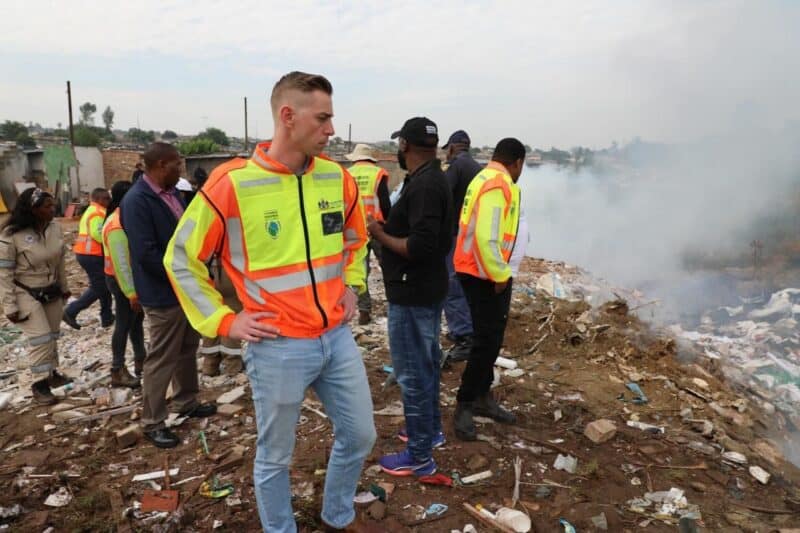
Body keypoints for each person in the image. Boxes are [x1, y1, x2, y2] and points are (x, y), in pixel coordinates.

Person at [163, 71, 377, 533]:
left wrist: (352, 285)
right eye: (323, 118)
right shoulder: (232, 183)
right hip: (277, 344)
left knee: (361, 433)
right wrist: (224, 321)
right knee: (276, 454)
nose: (331, 130)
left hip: (335, 338)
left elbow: (355, 240)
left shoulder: (336, 179)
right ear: (288, 116)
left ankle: (336, 516)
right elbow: (181, 259)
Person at [367, 117, 453, 476]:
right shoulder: (432, 178)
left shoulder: (424, 186)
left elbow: (419, 245)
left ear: (404, 145)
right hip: (426, 289)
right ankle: (428, 432)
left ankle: (419, 456)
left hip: (413, 293)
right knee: (427, 363)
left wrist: (379, 234)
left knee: (413, 373)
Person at [121, 142, 217, 449]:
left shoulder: (173, 195)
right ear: (162, 164)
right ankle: (153, 421)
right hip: (163, 291)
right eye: (178, 164)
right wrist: (183, 276)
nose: (182, 170)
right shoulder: (137, 200)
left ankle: (186, 401)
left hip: (184, 288)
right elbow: (146, 253)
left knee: (188, 347)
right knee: (162, 356)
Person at [452, 137, 525, 441]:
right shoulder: (499, 183)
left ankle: (482, 395)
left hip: (474, 269)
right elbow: (486, 236)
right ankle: (466, 402)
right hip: (484, 273)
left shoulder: (483, 176)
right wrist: (500, 275)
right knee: (486, 341)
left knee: (490, 338)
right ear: (518, 162)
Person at [0, 187, 71, 405]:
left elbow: (59, 260)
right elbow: (4, 272)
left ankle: (51, 373)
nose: (53, 209)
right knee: (41, 337)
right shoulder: (12, 236)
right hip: (25, 291)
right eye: (47, 206)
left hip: (50, 288)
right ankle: (39, 385)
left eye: (53, 204)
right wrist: (9, 305)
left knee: (52, 334)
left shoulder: (54, 228)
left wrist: (64, 286)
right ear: (33, 209)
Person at [441, 130, 482, 362]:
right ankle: (465, 328)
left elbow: (443, 197)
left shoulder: (456, 167)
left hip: (455, 235)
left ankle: (464, 336)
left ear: (454, 147)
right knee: (465, 284)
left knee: (451, 286)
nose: (447, 152)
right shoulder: (478, 169)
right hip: (471, 237)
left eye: (448, 148)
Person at [102, 180, 145, 388]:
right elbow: (121, 263)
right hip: (121, 282)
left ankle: (141, 360)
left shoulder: (123, 218)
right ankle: (117, 369)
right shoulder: (116, 225)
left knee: (135, 322)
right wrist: (132, 294)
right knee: (124, 323)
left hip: (126, 281)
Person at [345, 143, 390, 325]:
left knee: (360, 271)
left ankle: (364, 311)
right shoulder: (378, 173)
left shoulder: (347, 174)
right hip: (377, 228)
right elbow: (385, 204)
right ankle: (393, 304)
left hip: (356, 229)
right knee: (388, 267)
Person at [63, 187, 113, 329]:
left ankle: (107, 317)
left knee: (103, 285)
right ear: (98, 199)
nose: (109, 201)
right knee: (100, 287)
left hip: (88, 254)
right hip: (92, 254)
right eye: (106, 198)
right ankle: (71, 311)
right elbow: (98, 234)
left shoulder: (93, 211)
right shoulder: (97, 213)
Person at [199, 256, 243, 377]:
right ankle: (232, 366)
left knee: (211, 315)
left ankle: (210, 364)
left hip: (205, 269)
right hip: (227, 268)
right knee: (231, 314)